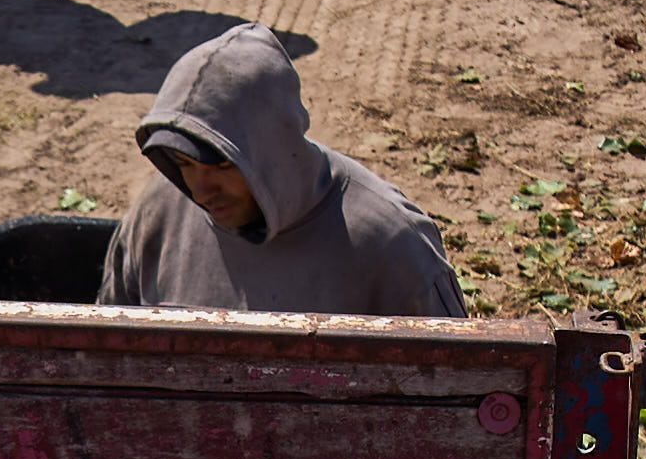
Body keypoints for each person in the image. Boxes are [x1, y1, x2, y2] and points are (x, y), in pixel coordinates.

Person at [108, 27, 466, 317]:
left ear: (273, 148)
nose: (201, 191)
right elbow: (105, 354)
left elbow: (452, 385)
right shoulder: (157, 216)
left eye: (222, 164)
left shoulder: (391, 244)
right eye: (184, 165)